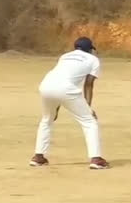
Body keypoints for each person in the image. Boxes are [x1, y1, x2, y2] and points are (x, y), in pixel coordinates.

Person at [30, 37, 109, 170]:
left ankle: (38, 157)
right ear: (90, 49)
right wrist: (89, 108)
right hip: (66, 89)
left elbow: (60, 78)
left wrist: (56, 108)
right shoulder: (93, 59)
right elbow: (88, 85)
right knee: (89, 121)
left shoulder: (65, 56)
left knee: (47, 120)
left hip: (46, 85)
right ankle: (96, 159)